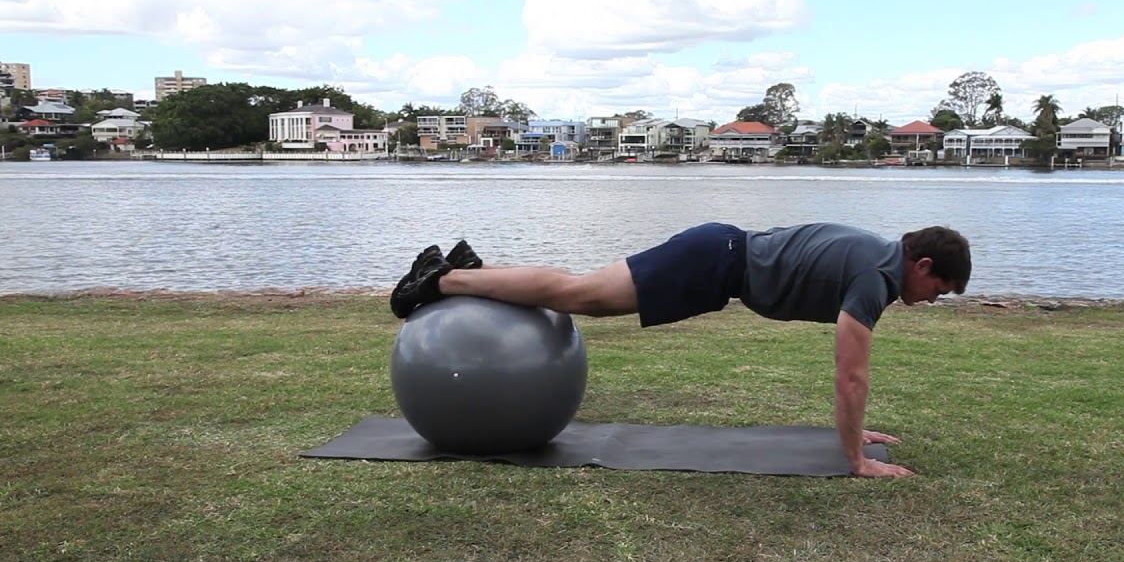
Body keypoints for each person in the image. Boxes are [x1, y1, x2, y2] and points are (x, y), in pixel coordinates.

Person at [390, 222, 971, 478]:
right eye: (936, 291)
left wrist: (856, 429)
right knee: (582, 296)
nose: (927, 301)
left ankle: (469, 270)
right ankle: (444, 280)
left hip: (717, 255)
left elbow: (850, 380)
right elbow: (851, 377)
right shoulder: (877, 279)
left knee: (581, 292)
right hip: (715, 262)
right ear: (921, 266)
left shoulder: (875, 255)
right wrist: (855, 458)